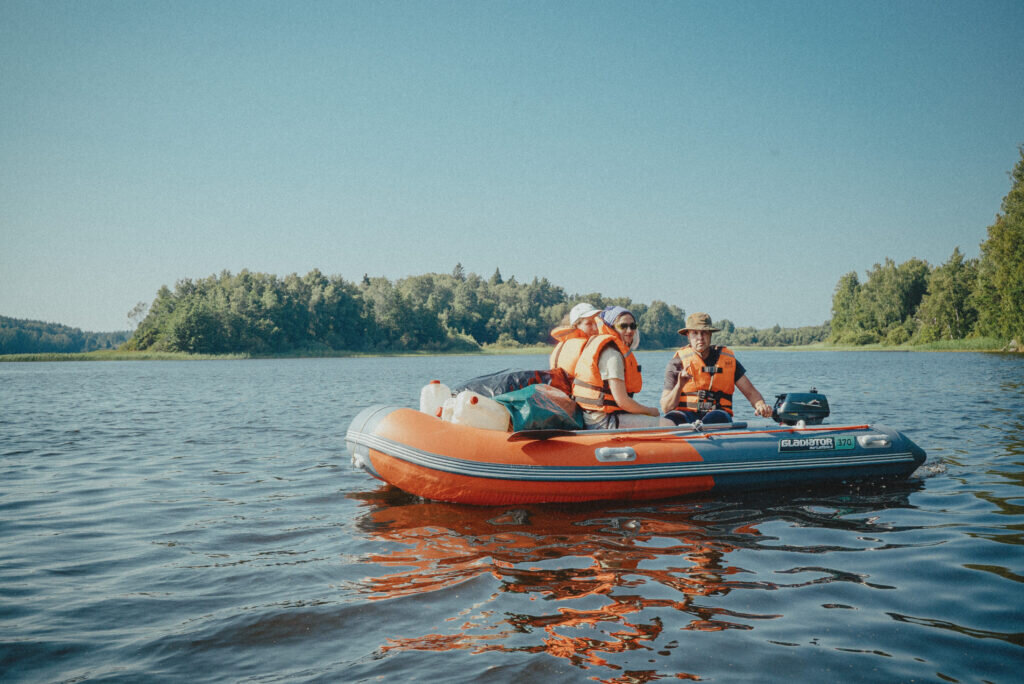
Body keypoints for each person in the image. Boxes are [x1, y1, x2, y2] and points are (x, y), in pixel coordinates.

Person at [660, 312, 773, 424]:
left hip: (717, 414)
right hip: (686, 415)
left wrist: (761, 405)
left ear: (710, 334)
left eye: (704, 332)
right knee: (670, 419)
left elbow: (751, 393)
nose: (700, 338)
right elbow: (666, 407)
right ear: (688, 336)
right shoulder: (676, 363)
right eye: (695, 333)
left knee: (715, 418)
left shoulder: (728, 360)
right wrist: (679, 385)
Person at [572, 306, 672, 429]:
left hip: (600, 416)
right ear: (611, 328)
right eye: (623, 326)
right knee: (668, 424)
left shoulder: (612, 350)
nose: (629, 330)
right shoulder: (612, 355)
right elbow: (622, 401)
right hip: (601, 422)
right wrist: (650, 411)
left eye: (633, 326)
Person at [549, 302, 602, 380]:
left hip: (562, 390)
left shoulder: (562, 344)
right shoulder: (586, 347)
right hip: (578, 391)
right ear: (576, 325)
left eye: (596, 323)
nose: (595, 328)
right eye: (589, 324)